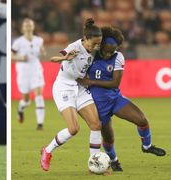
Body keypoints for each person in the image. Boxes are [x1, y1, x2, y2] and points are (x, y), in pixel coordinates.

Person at [77, 26, 166, 171]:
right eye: (109, 45)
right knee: (109, 139)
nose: (112, 49)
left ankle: (147, 146)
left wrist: (91, 82)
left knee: (142, 120)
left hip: (115, 99)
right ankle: (114, 161)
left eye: (115, 46)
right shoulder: (92, 55)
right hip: (98, 105)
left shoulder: (118, 57)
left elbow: (115, 83)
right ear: (103, 43)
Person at [40, 18, 103, 171]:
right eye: (93, 43)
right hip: (64, 87)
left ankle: (93, 164)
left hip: (79, 87)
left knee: (96, 124)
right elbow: (52, 58)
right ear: (85, 38)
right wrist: (64, 58)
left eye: (98, 44)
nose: (95, 47)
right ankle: (47, 151)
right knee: (74, 128)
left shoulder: (94, 51)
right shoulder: (73, 47)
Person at [11, 18, 47, 130]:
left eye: (30, 25)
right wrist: (21, 57)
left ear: (33, 26)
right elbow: (11, 56)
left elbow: (43, 52)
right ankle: (21, 109)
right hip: (23, 72)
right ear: (23, 28)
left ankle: (40, 124)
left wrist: (43, 52)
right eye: (26, 25)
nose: (28, 27)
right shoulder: (18, 42)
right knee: (26, 100)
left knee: (39, 96)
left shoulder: (39, 40)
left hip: (36, 69)